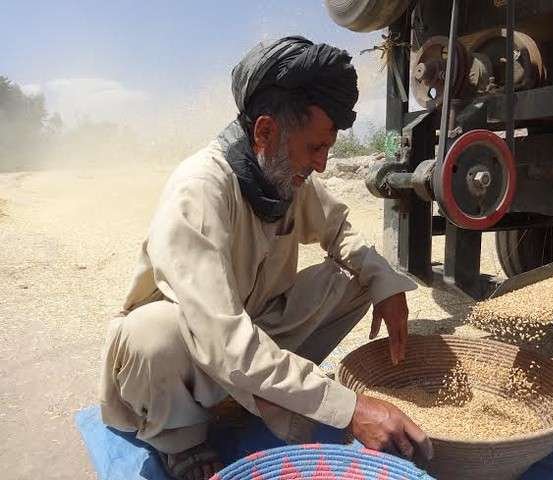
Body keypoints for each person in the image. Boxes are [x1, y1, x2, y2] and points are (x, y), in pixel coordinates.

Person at [99, 36, 433, 480]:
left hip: (249, 331)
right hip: (196, 348)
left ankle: (268, 391)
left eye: (328, 148)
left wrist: (386, 286)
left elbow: (339, 230)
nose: (322, 164)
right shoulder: (198, 190)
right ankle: (179, 439)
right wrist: (349, 409)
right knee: (152, 336)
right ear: (265, 132)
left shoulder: (284, 173)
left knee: (357, 276)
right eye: (315, 148)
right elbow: (224, 339)